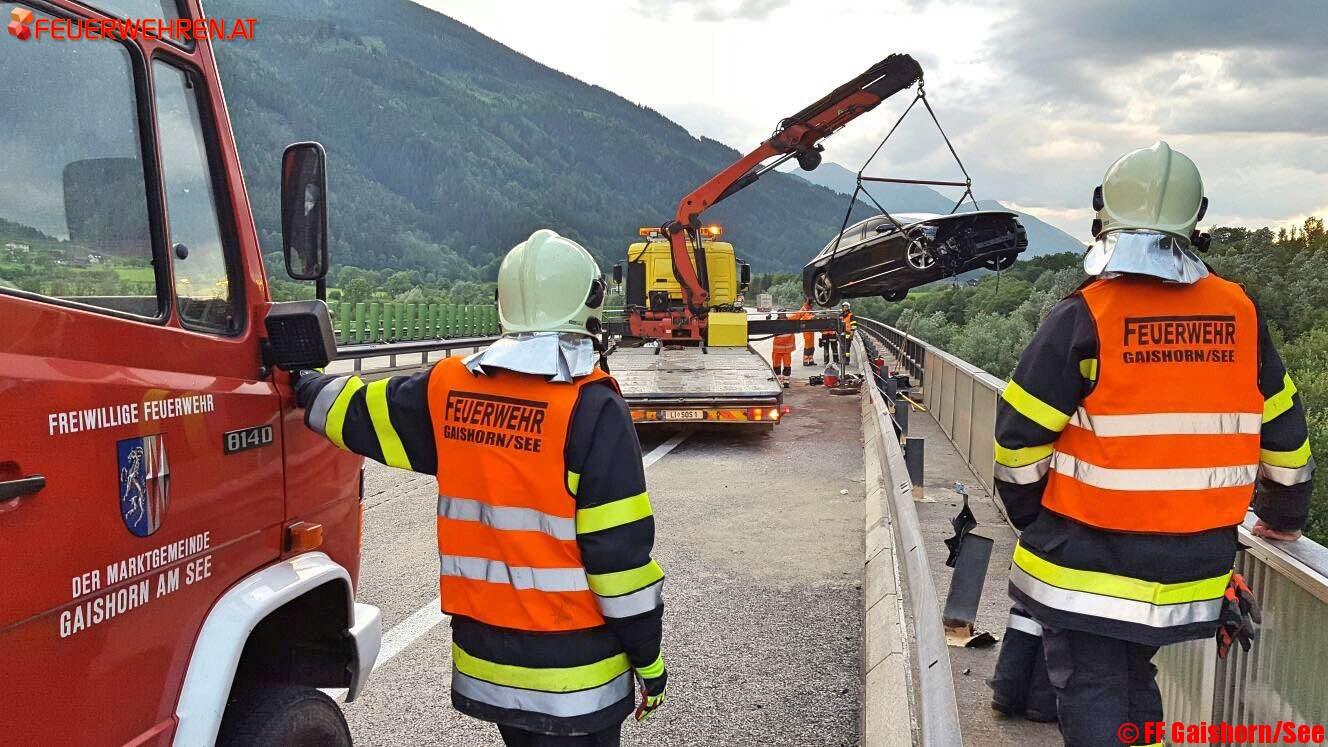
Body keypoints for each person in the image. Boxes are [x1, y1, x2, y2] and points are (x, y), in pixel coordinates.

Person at [992, 142, 1313, 746]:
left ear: (1103, 214)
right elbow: (1287, 439)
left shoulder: (1084, 317)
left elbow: (1017, 446)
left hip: (1087, 563)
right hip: (1194, 565)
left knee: (1092, 685)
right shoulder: (1240, 314)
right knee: (1134, 674)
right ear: (1195, 220)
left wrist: (1035, 525)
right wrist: (1283, 519)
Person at [294, 229, 667, 746]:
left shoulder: (450, 387)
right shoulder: (592, 407)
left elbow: (356, 412)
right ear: (588, 306)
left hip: (491, 668)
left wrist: (299, 381)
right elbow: (620, 563)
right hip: (577, 679)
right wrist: (649, 661)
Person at [771, 312, 795, 388]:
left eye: (783, 314)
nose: (782, 316)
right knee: (776, 366)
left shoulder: (790, 322)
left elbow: (798, 315)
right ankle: (778, 382)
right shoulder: (775, 324)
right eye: (780, 314)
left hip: (786, 350)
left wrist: (806, 306)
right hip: (778, 350)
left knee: (787, 366)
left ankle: (786, 382)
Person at [795, 300, 817, 366]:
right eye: (812, 304)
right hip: (807, 331)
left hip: (811, 331)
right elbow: (807, 318)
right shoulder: (805, 310)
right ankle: (805, 361)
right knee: (808, 346)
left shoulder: (809, 309)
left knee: (812, 346)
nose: (813, 305)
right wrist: (814, 316)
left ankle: (810, 360)